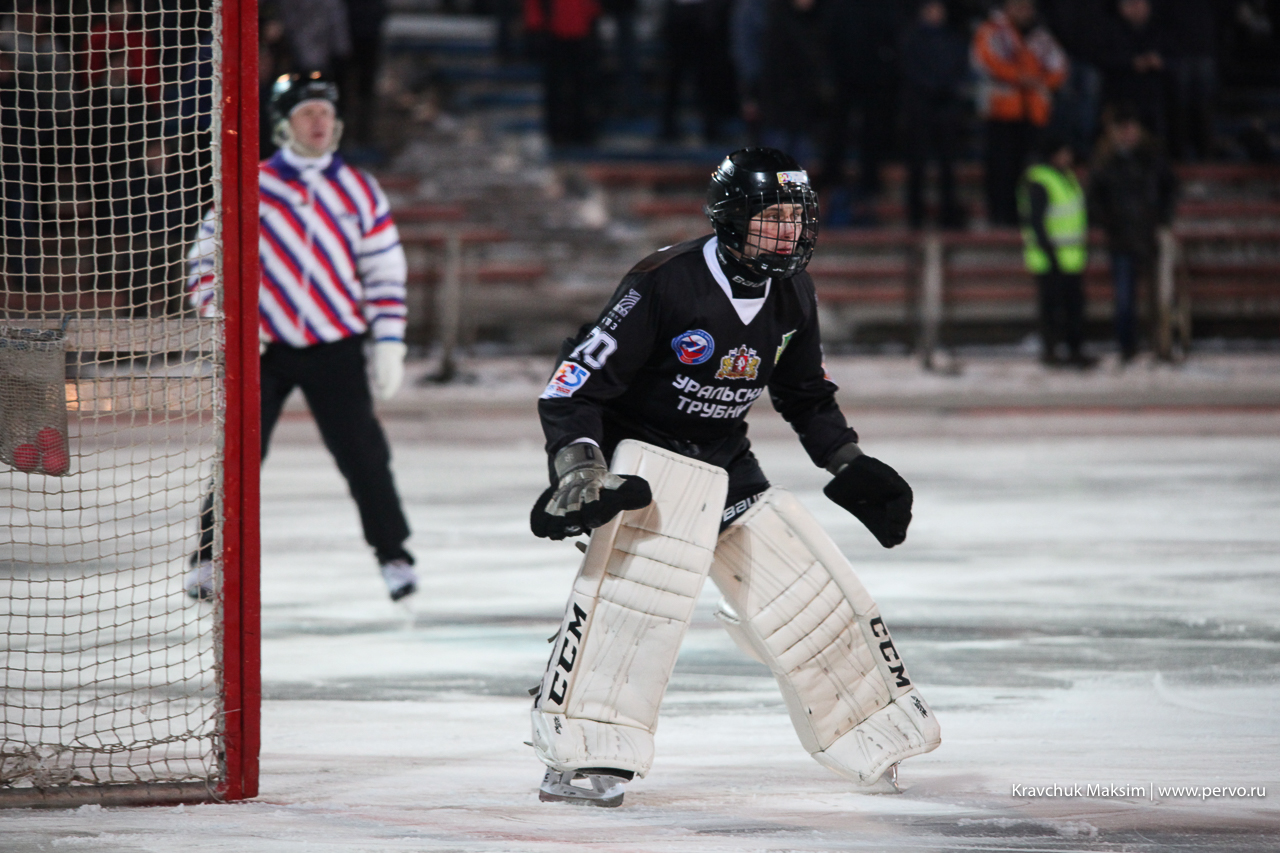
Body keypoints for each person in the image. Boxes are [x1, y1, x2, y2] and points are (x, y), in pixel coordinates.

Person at [527, 147, 937, 807]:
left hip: (726, 462)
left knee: (813, 601)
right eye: (772, 218)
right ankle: (581, 754)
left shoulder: (793, 291)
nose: (789, 233)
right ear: (731, 216)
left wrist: (846, 459)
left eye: (796, 218)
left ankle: (871, 732)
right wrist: (579, 465)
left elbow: (806, 394)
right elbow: (572, 386)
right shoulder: (662, 281)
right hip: (647, 467)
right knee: (633, 610)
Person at [184, 73, 417, 601]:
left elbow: (384, 270)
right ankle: (207, 558)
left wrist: (389, 341)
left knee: (364, 454)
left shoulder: (358, 188)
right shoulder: (252, 183)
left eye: (327, 114)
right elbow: (204, 263)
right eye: (308, 113)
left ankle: (394, 555)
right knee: (239, 454)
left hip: (335, 345)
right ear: (283, 122)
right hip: (263, 348)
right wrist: (229, 322)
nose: (319, 122)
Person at [1088, 106, 1178, 363]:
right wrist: (1108, 222)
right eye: (1122, 128)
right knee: (1125, 298)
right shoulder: (1105, 161)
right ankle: (1127, 347)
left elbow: (1170, 187)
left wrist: (1163, 219)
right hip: (1121, 238)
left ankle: (1161, 344)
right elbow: (1094, 198)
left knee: (1159, 297)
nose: (1128, 133)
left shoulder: (1152, 156)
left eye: (1132, 127)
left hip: (1150, 235)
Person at [971, 0, 1068, 226]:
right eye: (1019, 6)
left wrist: (1041, 81)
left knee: (1028, 169)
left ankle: (1025, 214)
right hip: (1001, 111)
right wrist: (1019, 77)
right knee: (1000, 167)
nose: (1024, 11)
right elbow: (987, 59)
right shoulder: (992, 31)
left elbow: (1059, 67)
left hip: (1033, 112)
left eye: (1028, 7)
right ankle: (999, 215)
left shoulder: (1041, 37)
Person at [1018, 135, 1094, 367]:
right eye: (1064, 152)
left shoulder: (1064, 177)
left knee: (1074, 306)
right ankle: (1052, 350)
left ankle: (1073, 349)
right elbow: (1037, 222)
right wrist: (1049, 253)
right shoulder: (1041, 180)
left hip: (1070, 256)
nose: (1068, 157)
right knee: (1053, 307)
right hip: (1050, 257)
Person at [899, 0, 969, 230]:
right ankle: (916, 214)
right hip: (920, 109)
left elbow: (959, 68)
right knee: (917, 165)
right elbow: (910, 70)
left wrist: (945, 88)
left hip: (946, 109)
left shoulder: (952, 39)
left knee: (947, 166)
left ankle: (949, 213)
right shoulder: (912, 39)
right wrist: (932, 87)